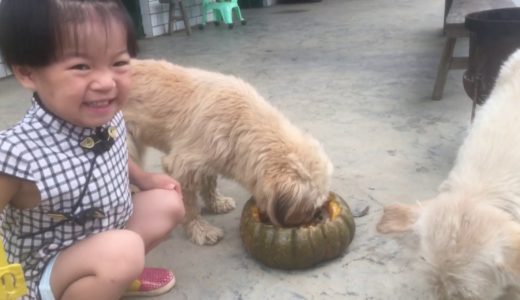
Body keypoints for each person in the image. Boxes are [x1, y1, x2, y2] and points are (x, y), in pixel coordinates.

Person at [0, 0, 185, 299]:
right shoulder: (16, 154)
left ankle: (111, 278)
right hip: (46, 269)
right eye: (81, 66)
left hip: (103, 235)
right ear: (27, 74)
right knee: (123, 253)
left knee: (168, 203)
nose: (106, 82)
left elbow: (110, 154)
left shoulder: (105, 115)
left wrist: (144, 179)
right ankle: (97, 280)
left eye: (119, 63)